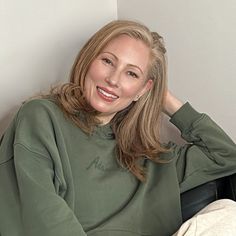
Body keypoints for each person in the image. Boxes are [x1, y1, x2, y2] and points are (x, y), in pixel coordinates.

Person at [0, 19, 236, 236]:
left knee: (228, 212)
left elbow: (226, 155)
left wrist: (164, 99)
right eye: (107, 61)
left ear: (144, 89)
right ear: (87, 60)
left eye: (131, 74)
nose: (113, 79)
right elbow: (41, 210)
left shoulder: (155, 158)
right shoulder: (41, 117)